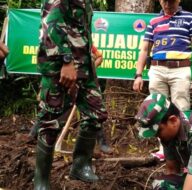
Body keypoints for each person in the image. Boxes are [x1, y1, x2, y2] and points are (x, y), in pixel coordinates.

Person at [33, 0, 108, 189]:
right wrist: (66, 60)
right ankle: (40, 181)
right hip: (60, 67)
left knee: (96, 114)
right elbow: (50, 26)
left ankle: (80, 165)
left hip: (84, 67)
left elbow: (81, 31)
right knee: (51, 122)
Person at [133, 0, 192, 161]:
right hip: (157, 69)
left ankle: (184, 153)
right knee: (158, 110)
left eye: (171, 0)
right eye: (164, 0)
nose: (167, 4)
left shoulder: (190, 18)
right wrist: (138, 75)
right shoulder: (153, 22)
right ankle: (164, 151)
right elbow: (144, 49)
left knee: (182, 108)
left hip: (181, 69)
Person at [91, 45, 112, 154]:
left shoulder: (85, 41)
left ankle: (101, 143)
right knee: (55, 109)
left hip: (88, 83)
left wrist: (91, 69)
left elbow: (99, 56)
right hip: (66, 81)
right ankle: (34, 135)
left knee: (95, 112)